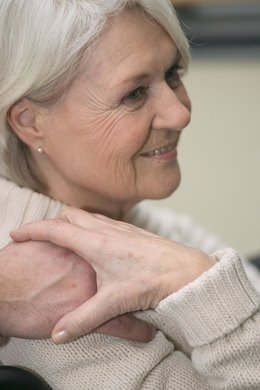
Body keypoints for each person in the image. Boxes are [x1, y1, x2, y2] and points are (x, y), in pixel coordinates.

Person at [0, 0, 259, 389]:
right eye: (134, 94)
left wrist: (194, 278)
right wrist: (200, 283)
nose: (179, 114)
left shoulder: (160, 229)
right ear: (30, 122)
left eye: (172, 73)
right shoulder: (52, 288)